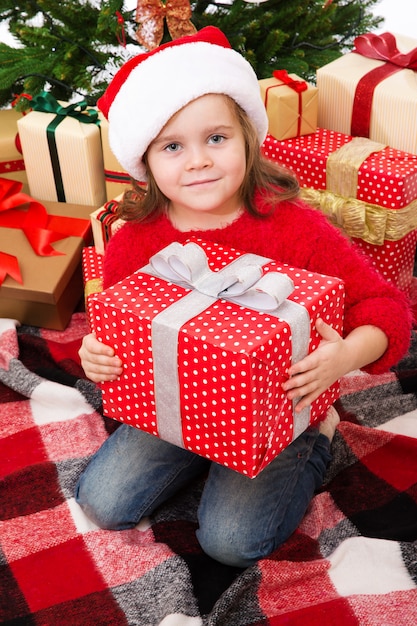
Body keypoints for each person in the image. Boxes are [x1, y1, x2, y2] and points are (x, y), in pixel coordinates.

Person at [76, 26, 412, 568]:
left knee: (229, 543)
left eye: (216, 138)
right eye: (172, 146)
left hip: (283, 404)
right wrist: (95, 353)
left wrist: (346, 355)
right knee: (101, 501)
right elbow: (119, 321)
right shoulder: (137, 237)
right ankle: (200, 455)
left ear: (248, 138)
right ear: (145, 161)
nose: (199, 161)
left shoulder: (294, 226)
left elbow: (386, 308)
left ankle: (314, 442)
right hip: (177, 405)